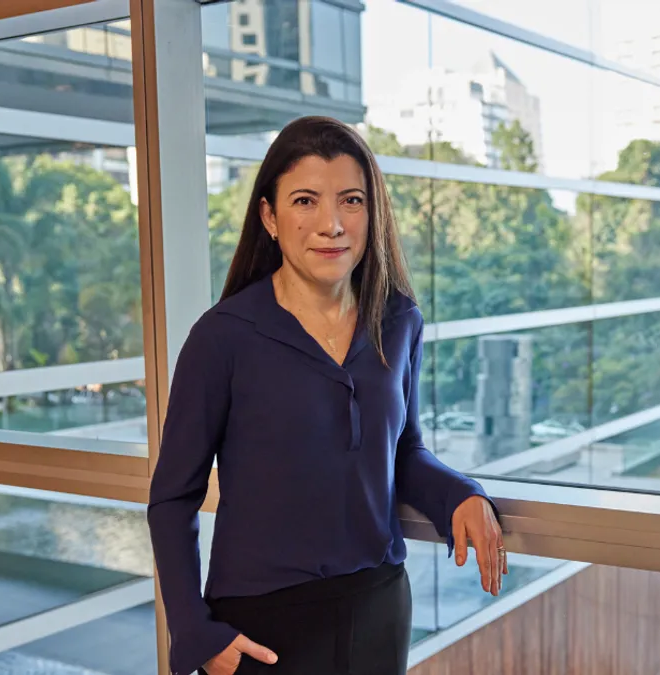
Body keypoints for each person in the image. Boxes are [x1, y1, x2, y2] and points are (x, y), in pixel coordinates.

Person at [148, 116, 505, 675]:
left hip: (379, 606)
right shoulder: (222, 338)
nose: (332, 224)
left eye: (352, 200)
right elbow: (172, 499)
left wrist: (462, 494)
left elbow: (402, 452)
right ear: (269, 216)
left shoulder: (400, 321)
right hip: (260, 628)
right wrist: (194, 631)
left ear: (373, 213)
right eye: (306, 201)